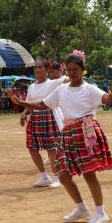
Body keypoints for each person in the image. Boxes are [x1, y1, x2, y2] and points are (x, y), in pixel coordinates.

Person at [9, 50, 112, 223]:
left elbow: (107, 99)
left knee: (88, 173)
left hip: (85, 132)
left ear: (83, 69)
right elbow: (41, 105)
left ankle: (101, 212)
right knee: (62, 175)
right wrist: (21, 103)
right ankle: (82, 208)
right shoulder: (61, 89)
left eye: (75, 69)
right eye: (69, 70)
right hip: (68, 133)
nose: (71, 73)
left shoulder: (90, 89)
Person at [20, 59, 67, 188]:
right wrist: (24, 114)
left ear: (47, 71)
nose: (37, 70)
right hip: (35, 118)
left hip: (49, 117)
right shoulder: (31, 87)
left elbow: (67, 80)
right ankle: (44, 176)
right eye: (36, 67)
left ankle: (57, 177)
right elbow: (29, 104)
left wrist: (76, 66)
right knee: (32, 148)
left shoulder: (53, 83)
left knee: (51, 150)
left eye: (40, 67)